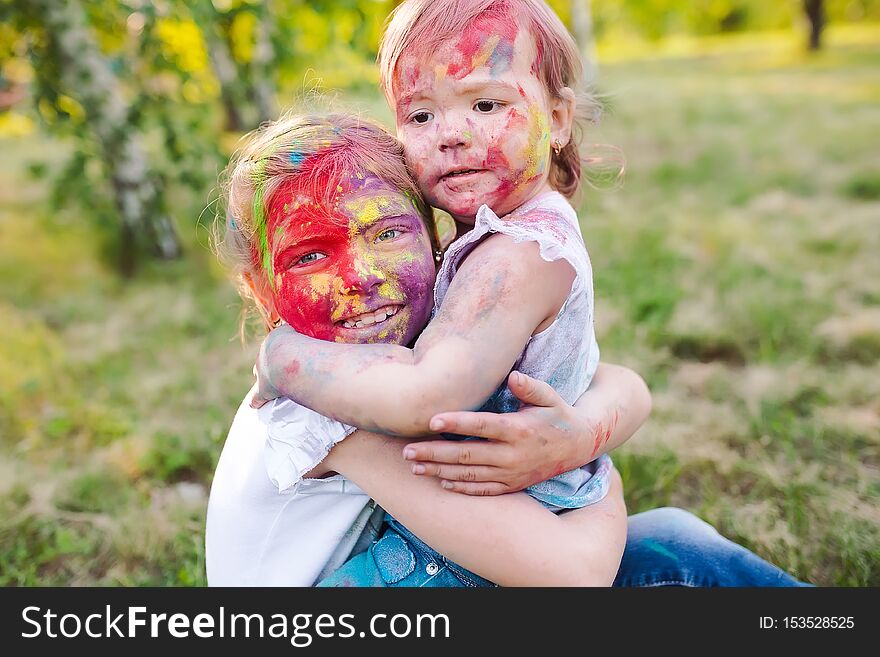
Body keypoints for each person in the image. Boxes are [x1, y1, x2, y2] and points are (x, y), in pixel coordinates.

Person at [206, 112, 644, 586]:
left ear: (436, 242)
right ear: (260, 290)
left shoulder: (418, 357)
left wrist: (581, 436)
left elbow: (620, 382)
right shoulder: (325, 401)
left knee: (677, 541)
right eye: (310, 256)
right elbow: (574, 573)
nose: (362, 276)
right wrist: (602, 482)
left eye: (388, 233)